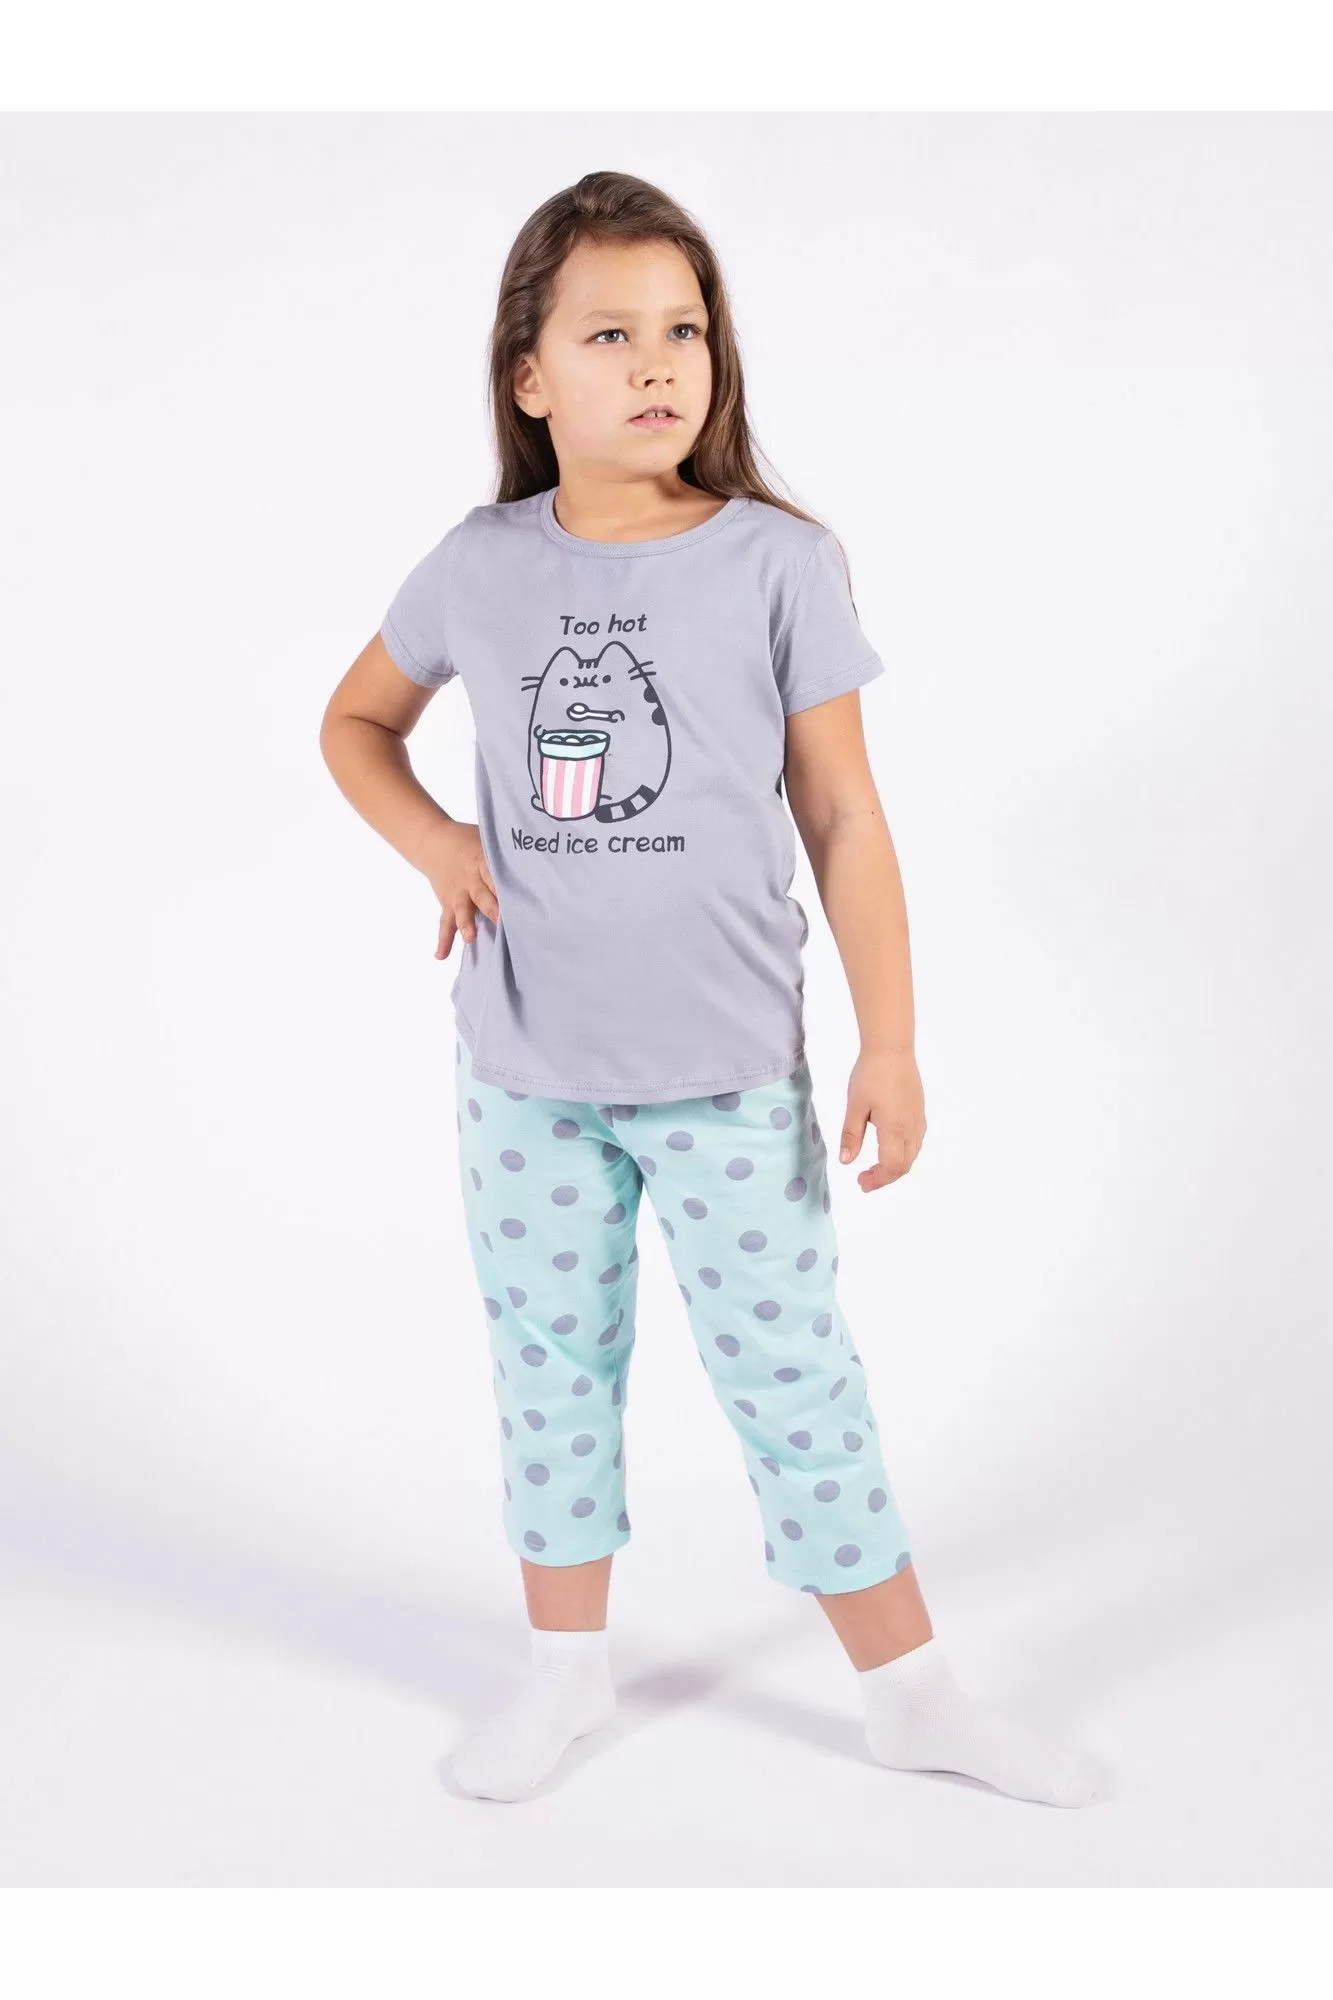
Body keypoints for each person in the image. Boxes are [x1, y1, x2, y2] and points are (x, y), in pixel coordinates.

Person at [319, 170, 1106, 1811]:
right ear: (530, 375)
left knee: (793, 1378)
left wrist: (890, 1042)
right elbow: (355, 722)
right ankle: (566, 1673)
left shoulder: (776, 563)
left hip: (729, 1071)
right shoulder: (477, 564)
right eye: (609, 334)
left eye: (683, 330)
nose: (657, 363)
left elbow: (844, 817)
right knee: (550, 1372)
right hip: (524, 1071)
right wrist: (440, 844)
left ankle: (911, 1696)